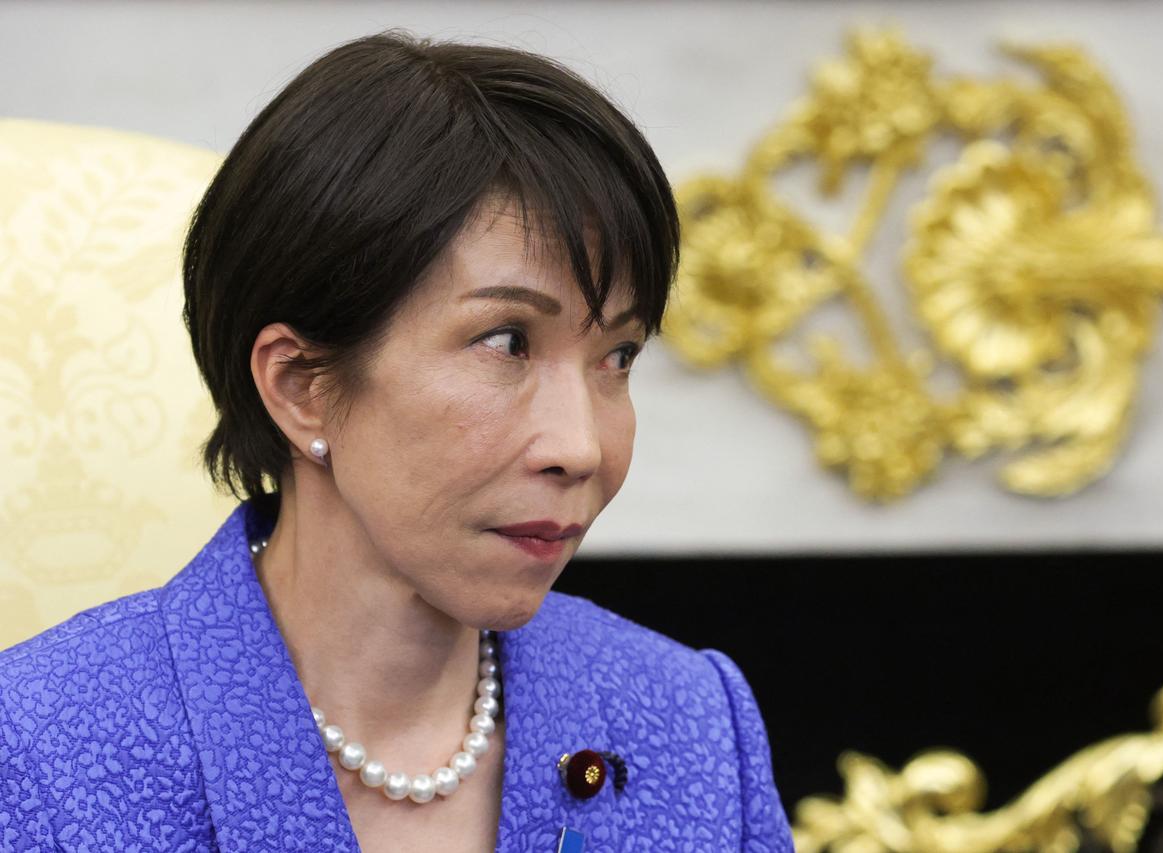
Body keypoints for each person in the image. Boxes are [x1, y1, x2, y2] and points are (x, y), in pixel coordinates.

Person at [0, 29, 791, 852]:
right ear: (302, 387)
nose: (582, 446)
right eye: (508, 342)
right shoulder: (40, 758)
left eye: (618, 355)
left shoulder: (688, 723)